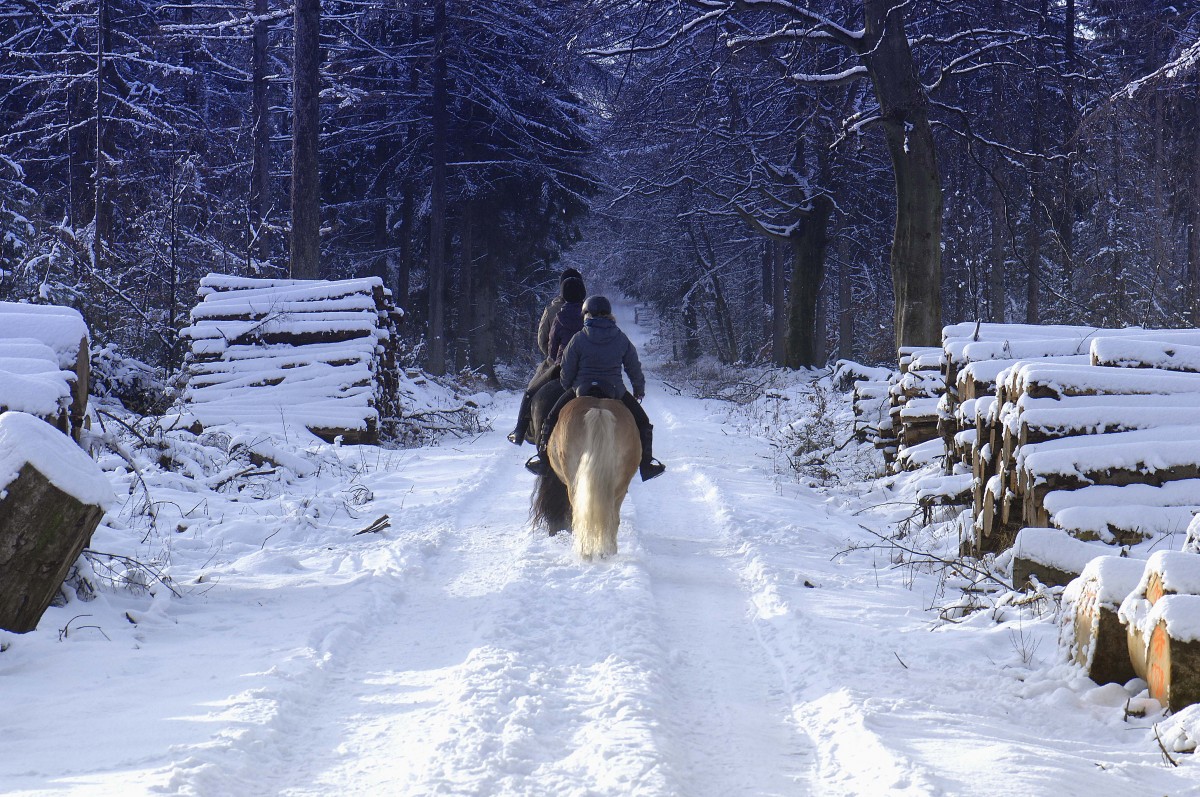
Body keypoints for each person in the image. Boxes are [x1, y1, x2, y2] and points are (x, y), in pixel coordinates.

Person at [524, 295, 666, 482]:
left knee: (550, 418)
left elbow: (566, 369)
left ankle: (542, 458)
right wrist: (638, 388)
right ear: (609, 315)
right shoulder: (621, 338)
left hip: (582, 389)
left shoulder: (578, 338)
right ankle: (647, 464)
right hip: (615, 390)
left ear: (586, 314)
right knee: (643, 422)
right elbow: (633, 366)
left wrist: (569, 387)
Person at [508, 276, 585, 444]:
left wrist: (553, 358)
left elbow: (546, 343)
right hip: (587, 366)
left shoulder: (554, 313)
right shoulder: (591, 313)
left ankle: (519, 431)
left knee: (530, 391)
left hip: (560, 365)